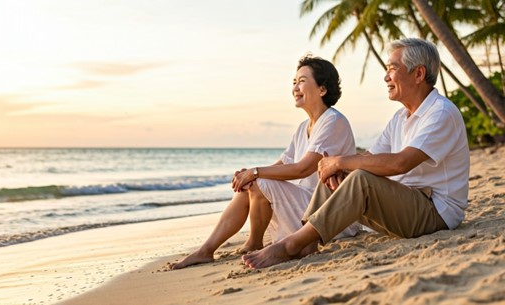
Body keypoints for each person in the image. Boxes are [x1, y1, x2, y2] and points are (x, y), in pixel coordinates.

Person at [242, 38, 470, 269]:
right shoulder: (400, 118)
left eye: (393, 68)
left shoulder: (440, 113)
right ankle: (307, 242)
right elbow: (371, 157)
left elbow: (401, 163)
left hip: (435, 214)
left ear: (418, 74)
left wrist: (341, 161)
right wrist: (339, 169)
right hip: (406, 204)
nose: (386, 76)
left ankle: (291, 245)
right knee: (340, 175)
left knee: (359, 178)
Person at [171, 55, 358, 269]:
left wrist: (256, 172)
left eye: (302, 81)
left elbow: (302, 169)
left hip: (329, 215)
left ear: (322, 89)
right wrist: (249, 175)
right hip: (305, 206)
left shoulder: (333, 122)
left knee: (258, 180)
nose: (295, 87)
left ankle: (253, 243)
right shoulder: (303, 127)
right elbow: (283, 164)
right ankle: (206, 250)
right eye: (294, 82)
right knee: (249, 185)